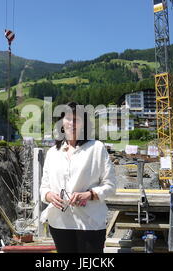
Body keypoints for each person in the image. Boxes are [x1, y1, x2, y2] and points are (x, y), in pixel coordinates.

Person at [40, 102, 117, 253]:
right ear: (61, 123)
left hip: (90, 222)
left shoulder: (96, 148)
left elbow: (111, 185)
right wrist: (49, 196)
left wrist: (90, 194)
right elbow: (44, 187)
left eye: (77, 119)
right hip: (60, 223)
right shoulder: (52, 153)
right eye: (68, 118)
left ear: (84, 125)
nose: (72, 123)